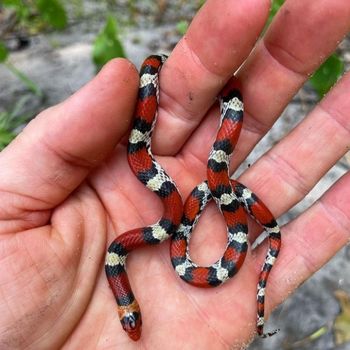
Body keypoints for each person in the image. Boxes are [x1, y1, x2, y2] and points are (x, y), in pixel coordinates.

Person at [0, 0, 349, 348]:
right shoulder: (124, 249)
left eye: (129, 320)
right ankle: (251, 213)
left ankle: (249, 208)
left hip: (199, 192)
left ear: (127, 306)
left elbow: (146, 191)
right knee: (200, 199)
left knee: (202, 176)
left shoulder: (121, 248)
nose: (133, 325)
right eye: (131, 320)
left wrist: (155, 69)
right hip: (191, 211)